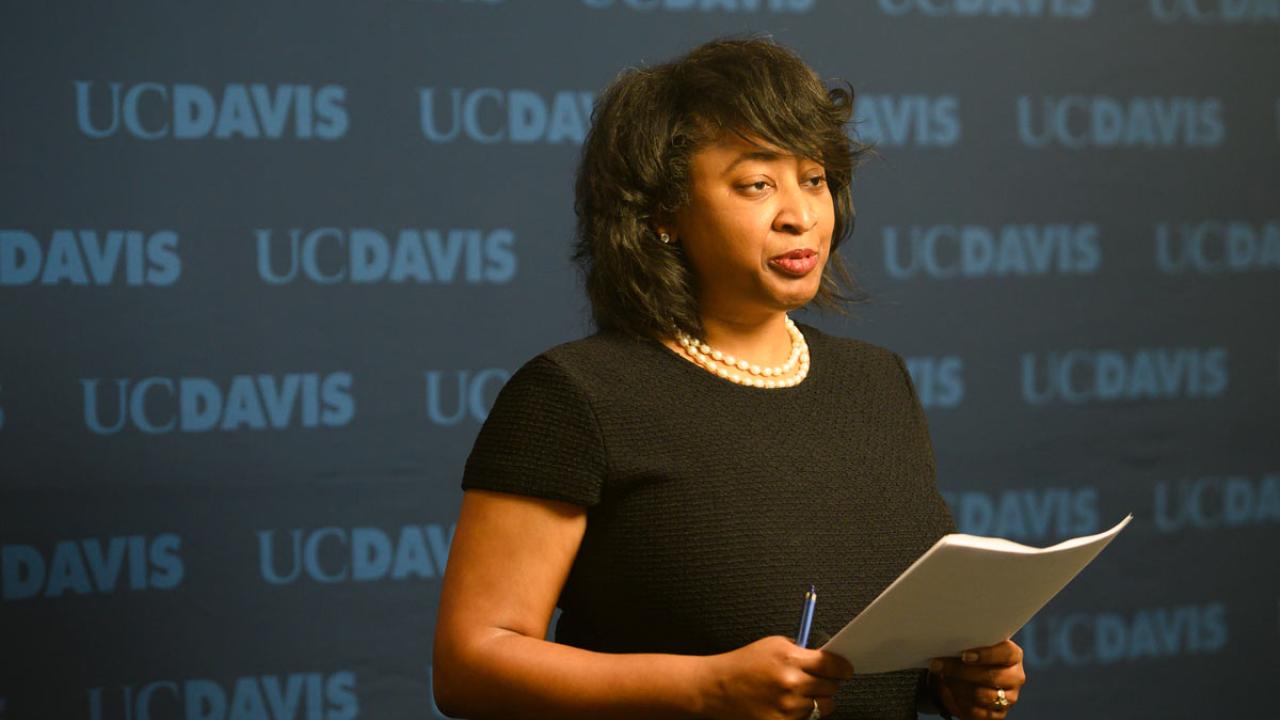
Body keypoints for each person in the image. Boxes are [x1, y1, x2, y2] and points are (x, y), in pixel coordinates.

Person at [432, 37, 1027, 720]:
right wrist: (705, 688)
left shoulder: (875, 380)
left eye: (814, 179)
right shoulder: (572, 396)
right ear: (663, 213)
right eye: (757, 184)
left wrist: (958, 680)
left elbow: (879, 658)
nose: (800, 215)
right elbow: (470, 664)